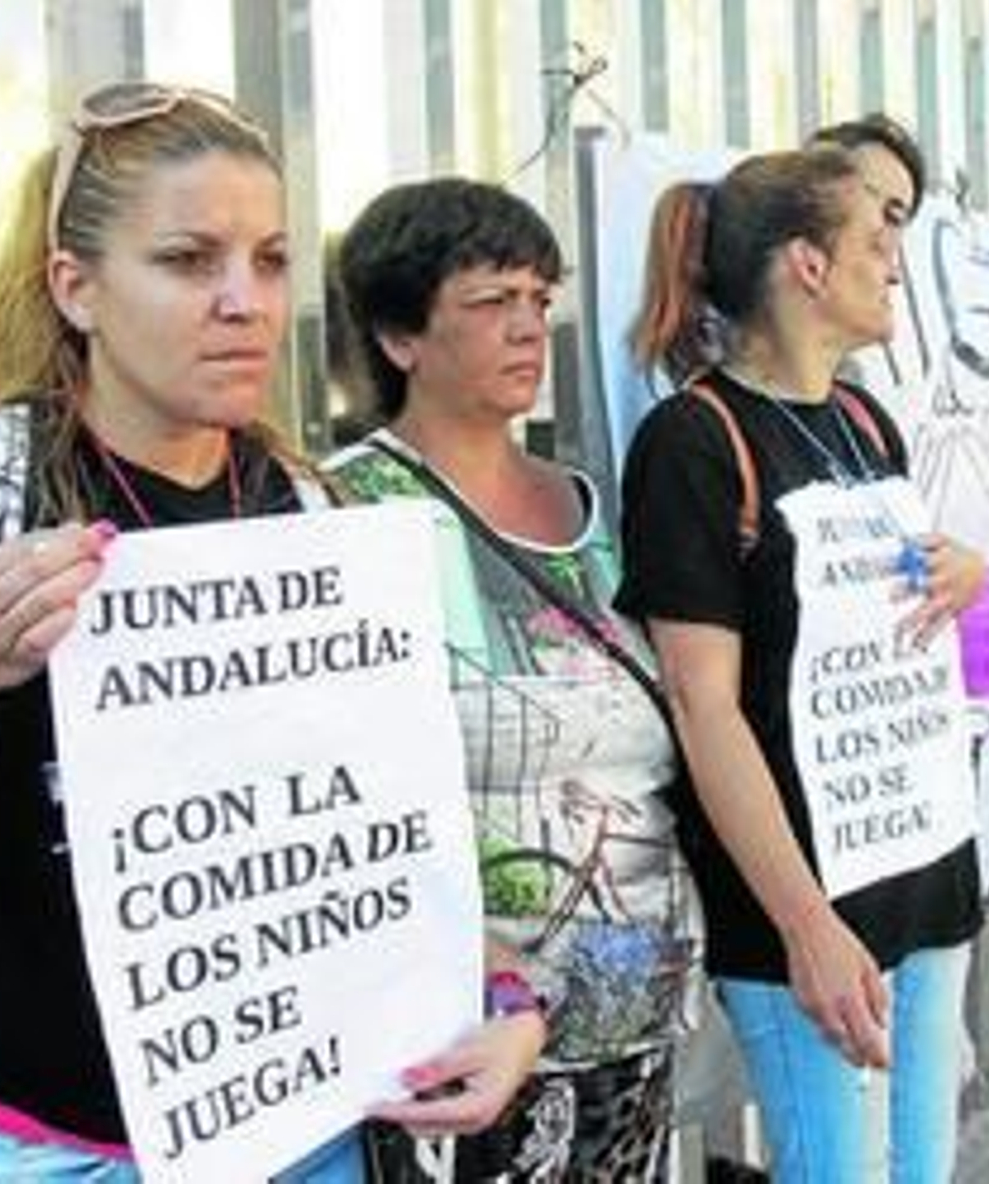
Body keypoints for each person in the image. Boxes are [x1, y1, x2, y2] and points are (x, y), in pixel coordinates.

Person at [0, 82, 542, 1182]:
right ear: (75, 286)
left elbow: (365, 848)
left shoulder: (311, 511)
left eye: (270, 260)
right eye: (187, 260)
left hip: (308, 1135)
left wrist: (503, 998)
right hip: (55, 1149)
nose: (243, 302)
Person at [617, 144, 987, 1182]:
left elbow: (904, 612)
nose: (897, 262)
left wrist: (968, 574)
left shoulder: (864, 421)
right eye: (877, 236)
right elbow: (704, 706)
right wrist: (804, 924)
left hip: (924, 873)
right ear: (806, 264)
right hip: (811, 907)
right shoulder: (693, 441)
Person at [326, 177, 695, 1182]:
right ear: (399, 337)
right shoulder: (343, 512)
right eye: (493, 301)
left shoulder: (596, 504)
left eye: (540, 297)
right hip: (463, 1036)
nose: (530, 326)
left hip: (634, 1004)